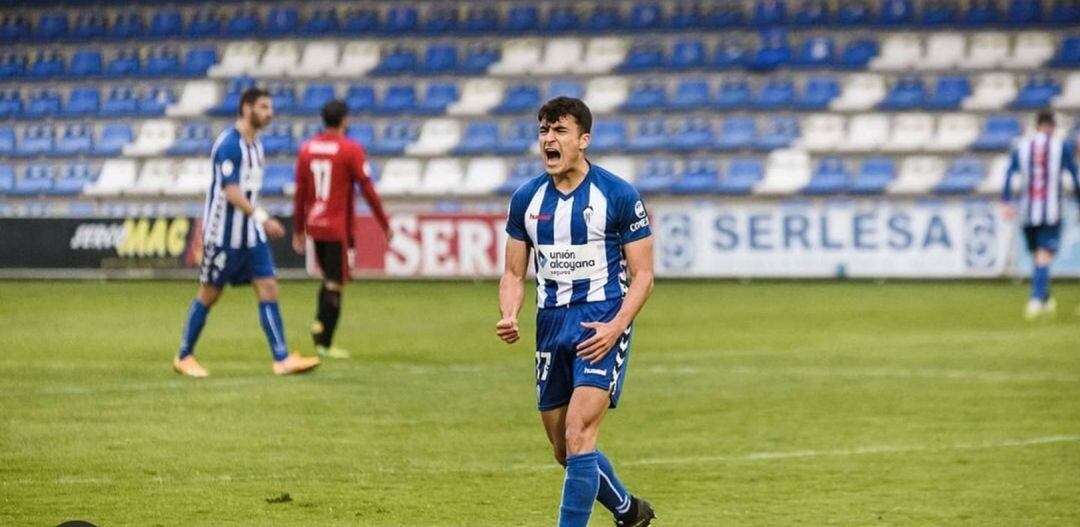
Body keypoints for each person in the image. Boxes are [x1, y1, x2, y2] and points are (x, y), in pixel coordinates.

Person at [496, 97, 656, 527]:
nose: (549, 139)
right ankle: (628, 511)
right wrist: (510, 313)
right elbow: (513, 273)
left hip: (600, 320)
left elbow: (643, 276)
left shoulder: (618, 195)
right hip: (549, 323)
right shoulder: (525, 200)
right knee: (563, 449)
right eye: (544, 131)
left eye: (560, 131)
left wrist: (616, 326)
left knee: (579, 434)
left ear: (583, 140)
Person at [173, 87, 320, 377]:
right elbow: (231, 193)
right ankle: (184, 355)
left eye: (270, 107)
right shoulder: (229, 144)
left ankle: (281, 359)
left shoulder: (257, 147)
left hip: (251, 236)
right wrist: (263, 217)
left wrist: (258, 220)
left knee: (268, 287)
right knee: (209, 294)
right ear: (247, 109)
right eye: (264, 107)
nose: (270, 113)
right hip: (222, 236)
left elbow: (248, 195)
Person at [292, 100, 391, 358]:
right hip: (338, 228)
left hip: (315, 224)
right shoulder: (350, 150)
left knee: (329, 278)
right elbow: (367, 189)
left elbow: (300, 192)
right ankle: (323, 336)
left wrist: (298, 229)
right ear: (345, 120)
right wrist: (384, 223)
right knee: (337, 282)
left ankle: (320, 328)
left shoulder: (307, 149)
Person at [1002, 111, 1080, 320]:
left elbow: (1009, 173)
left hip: (1028, 212)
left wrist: (1006, 201)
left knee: (1038, 256)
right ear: (1052, 126)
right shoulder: (1061, 147)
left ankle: (1044, 299)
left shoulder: (1021, 146)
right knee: (1044, 256)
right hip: (1051, 211)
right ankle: (1036, 299)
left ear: (1037, 126)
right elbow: (1074, 174)